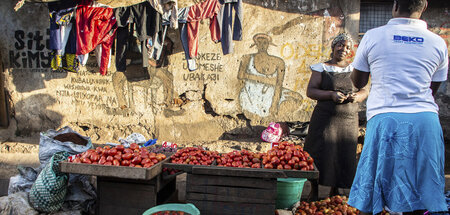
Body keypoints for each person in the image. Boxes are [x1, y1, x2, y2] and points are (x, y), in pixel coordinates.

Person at [348, 0, 449, 214]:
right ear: (424, 7)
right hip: (425, 121)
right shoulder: (438, 42)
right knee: (422, 192)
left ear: (395, 6)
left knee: (373, 189)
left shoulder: (373, 36)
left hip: (385, 119)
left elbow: (358, 83)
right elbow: (432, 88)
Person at [303, 33, 369, 201]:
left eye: (347, 47)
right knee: (319, 153)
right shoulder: (321, 68)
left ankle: (336, 191)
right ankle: (315, 190)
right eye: (340, 45)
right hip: (324, 120)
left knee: (343, 154)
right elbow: (311, 91)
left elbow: (365, 90)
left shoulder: (355, 69)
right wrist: (331, 94)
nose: (343, 49)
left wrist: (358, 97)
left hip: (347, 121)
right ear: (333, 47)